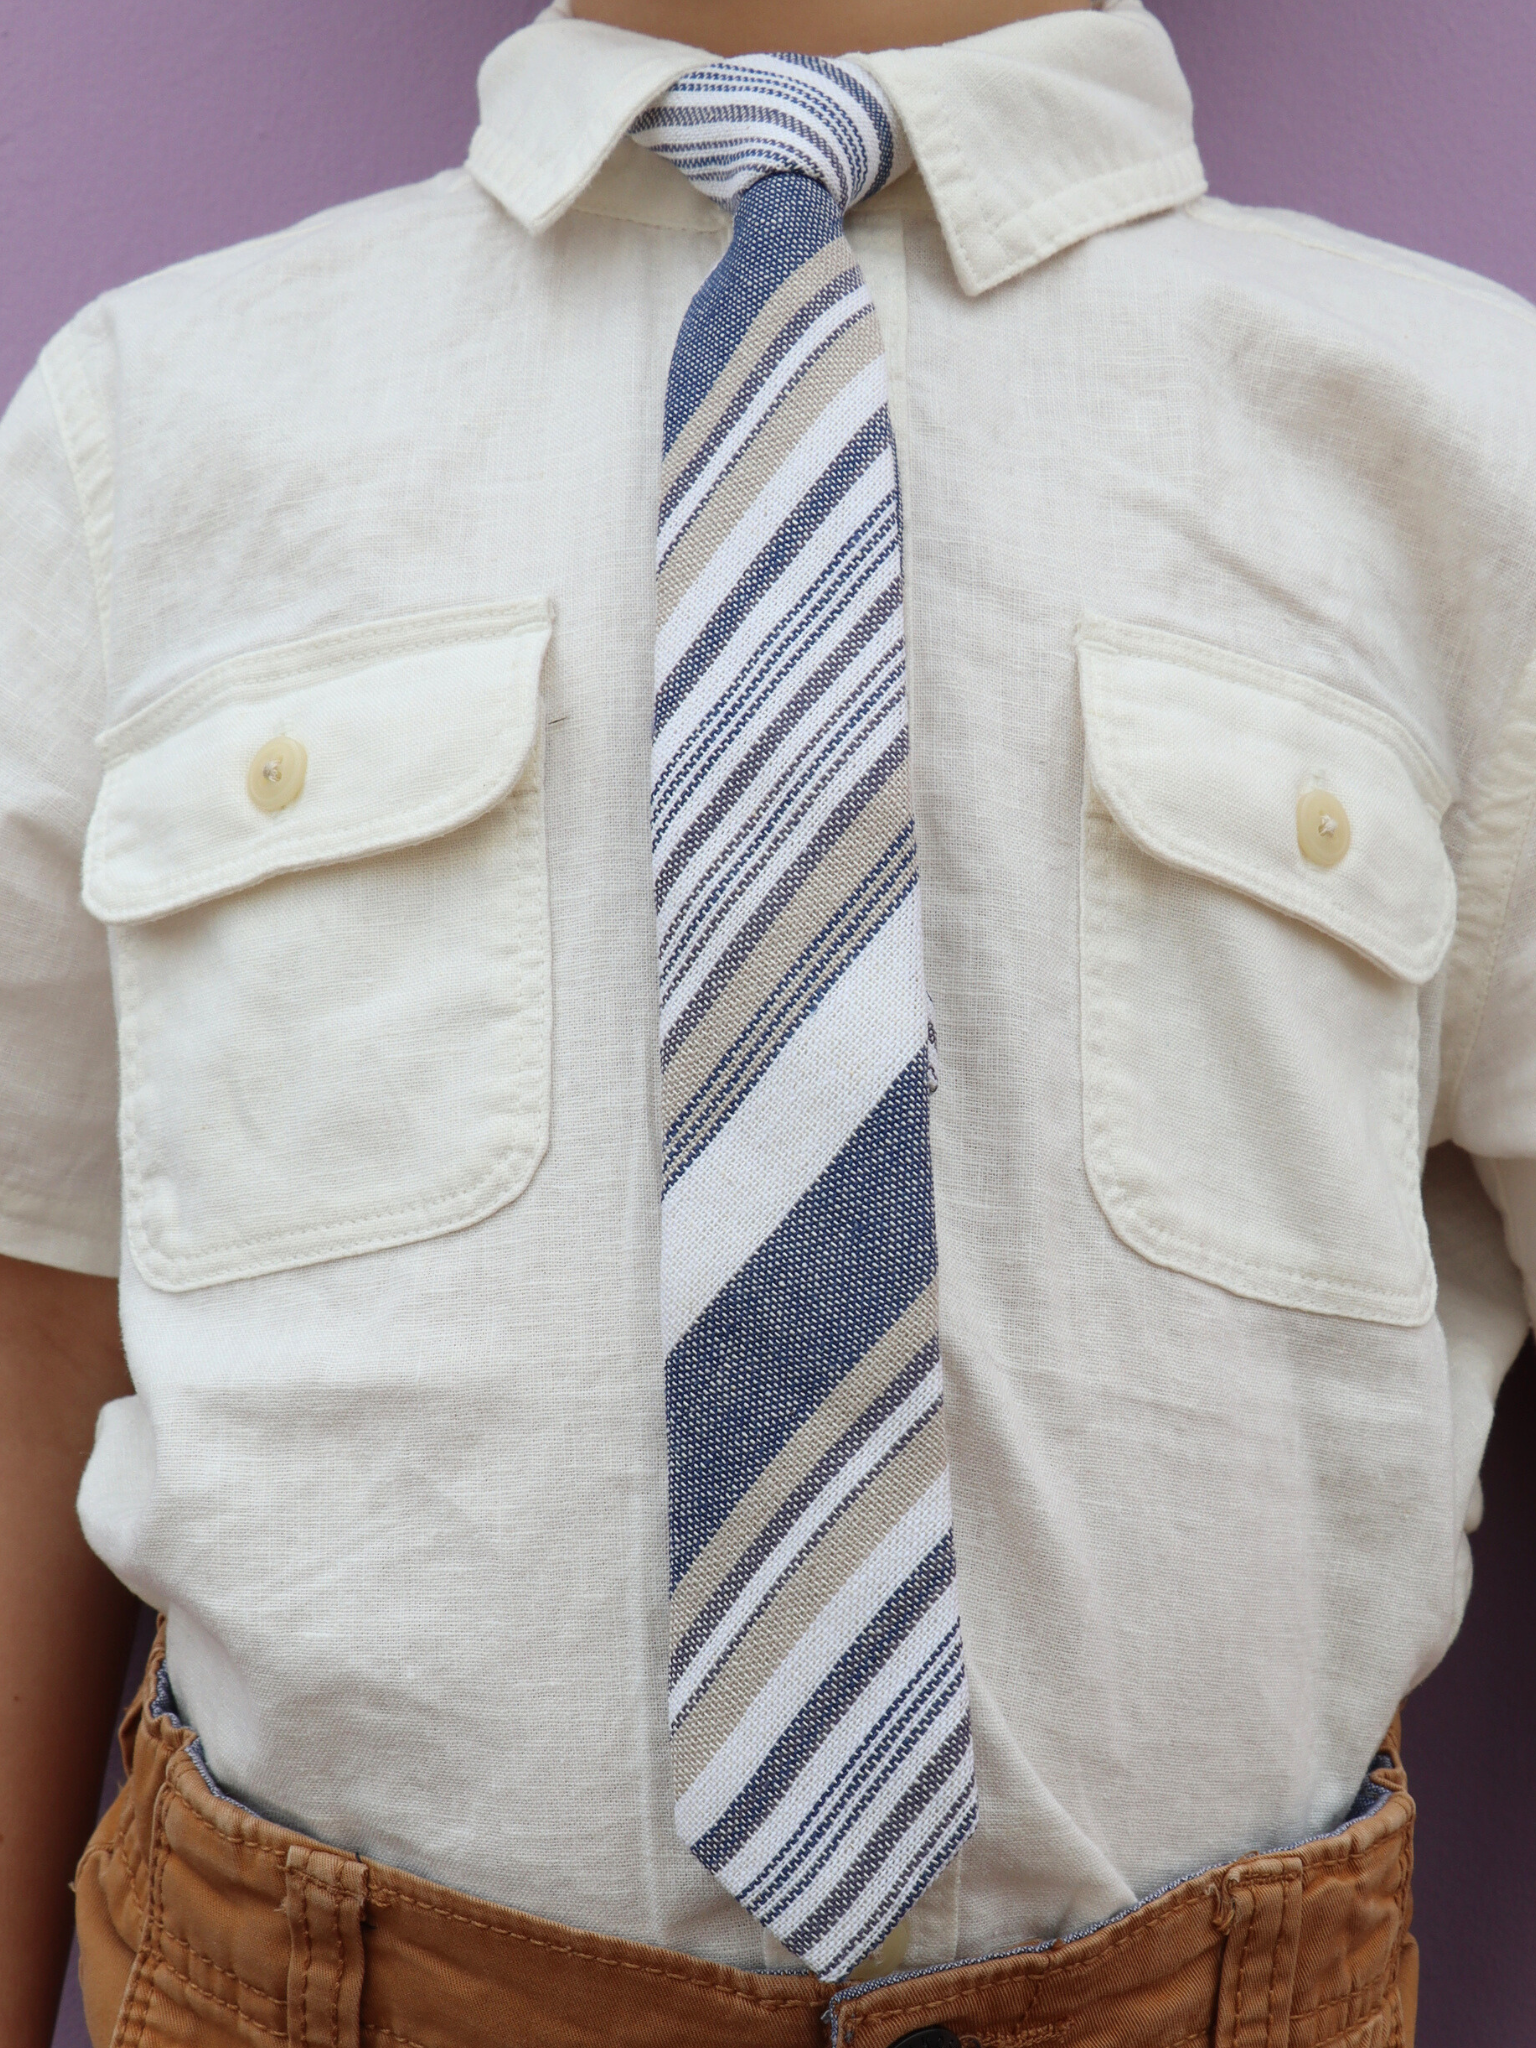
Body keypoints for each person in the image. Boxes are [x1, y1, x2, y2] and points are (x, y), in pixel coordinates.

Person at [3, 0, 1533, 2039]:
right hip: (314, 1977)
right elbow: (35, 1303)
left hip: (1207, 1990)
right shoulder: (155, 422)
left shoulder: (1460, 431)